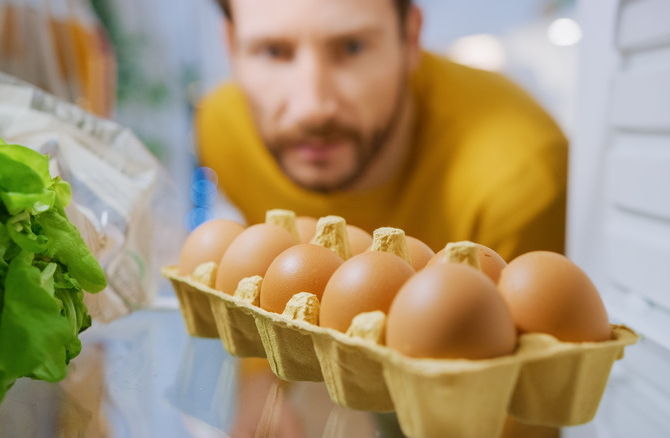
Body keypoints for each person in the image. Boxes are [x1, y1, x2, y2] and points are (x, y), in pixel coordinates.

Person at [195, 0, 567, 436]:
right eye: (274, 52)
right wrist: (262, 380)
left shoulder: (518, 175)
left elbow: (515, 410)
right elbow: (270, 276)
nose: (313, 108)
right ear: (231, 46)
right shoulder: (224, 130)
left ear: (410, 39)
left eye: (352, 47)